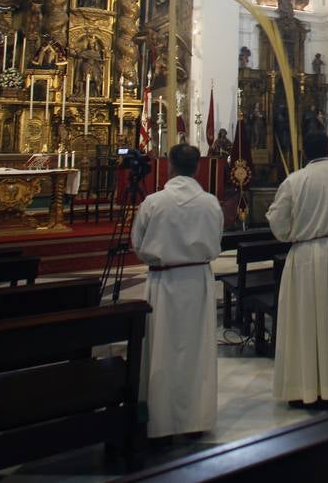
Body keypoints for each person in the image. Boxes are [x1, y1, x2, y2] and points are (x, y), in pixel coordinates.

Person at [130, 142, 224, 439]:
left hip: (165, 283)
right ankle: (197, 417)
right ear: (197, 167)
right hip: (198, 282)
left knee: (163, 349)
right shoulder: (210, 202)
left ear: (170, 164)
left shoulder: (154, 202)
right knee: (197, 350)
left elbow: (138, 244)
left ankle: (162, 420)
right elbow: (217, 239)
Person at [266, 130, 328, 408]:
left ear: (304, 153)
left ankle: (309, 388)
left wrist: (294, 232)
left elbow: (278, 223)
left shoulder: (295, 181)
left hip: (309, 254)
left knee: (307, 320)